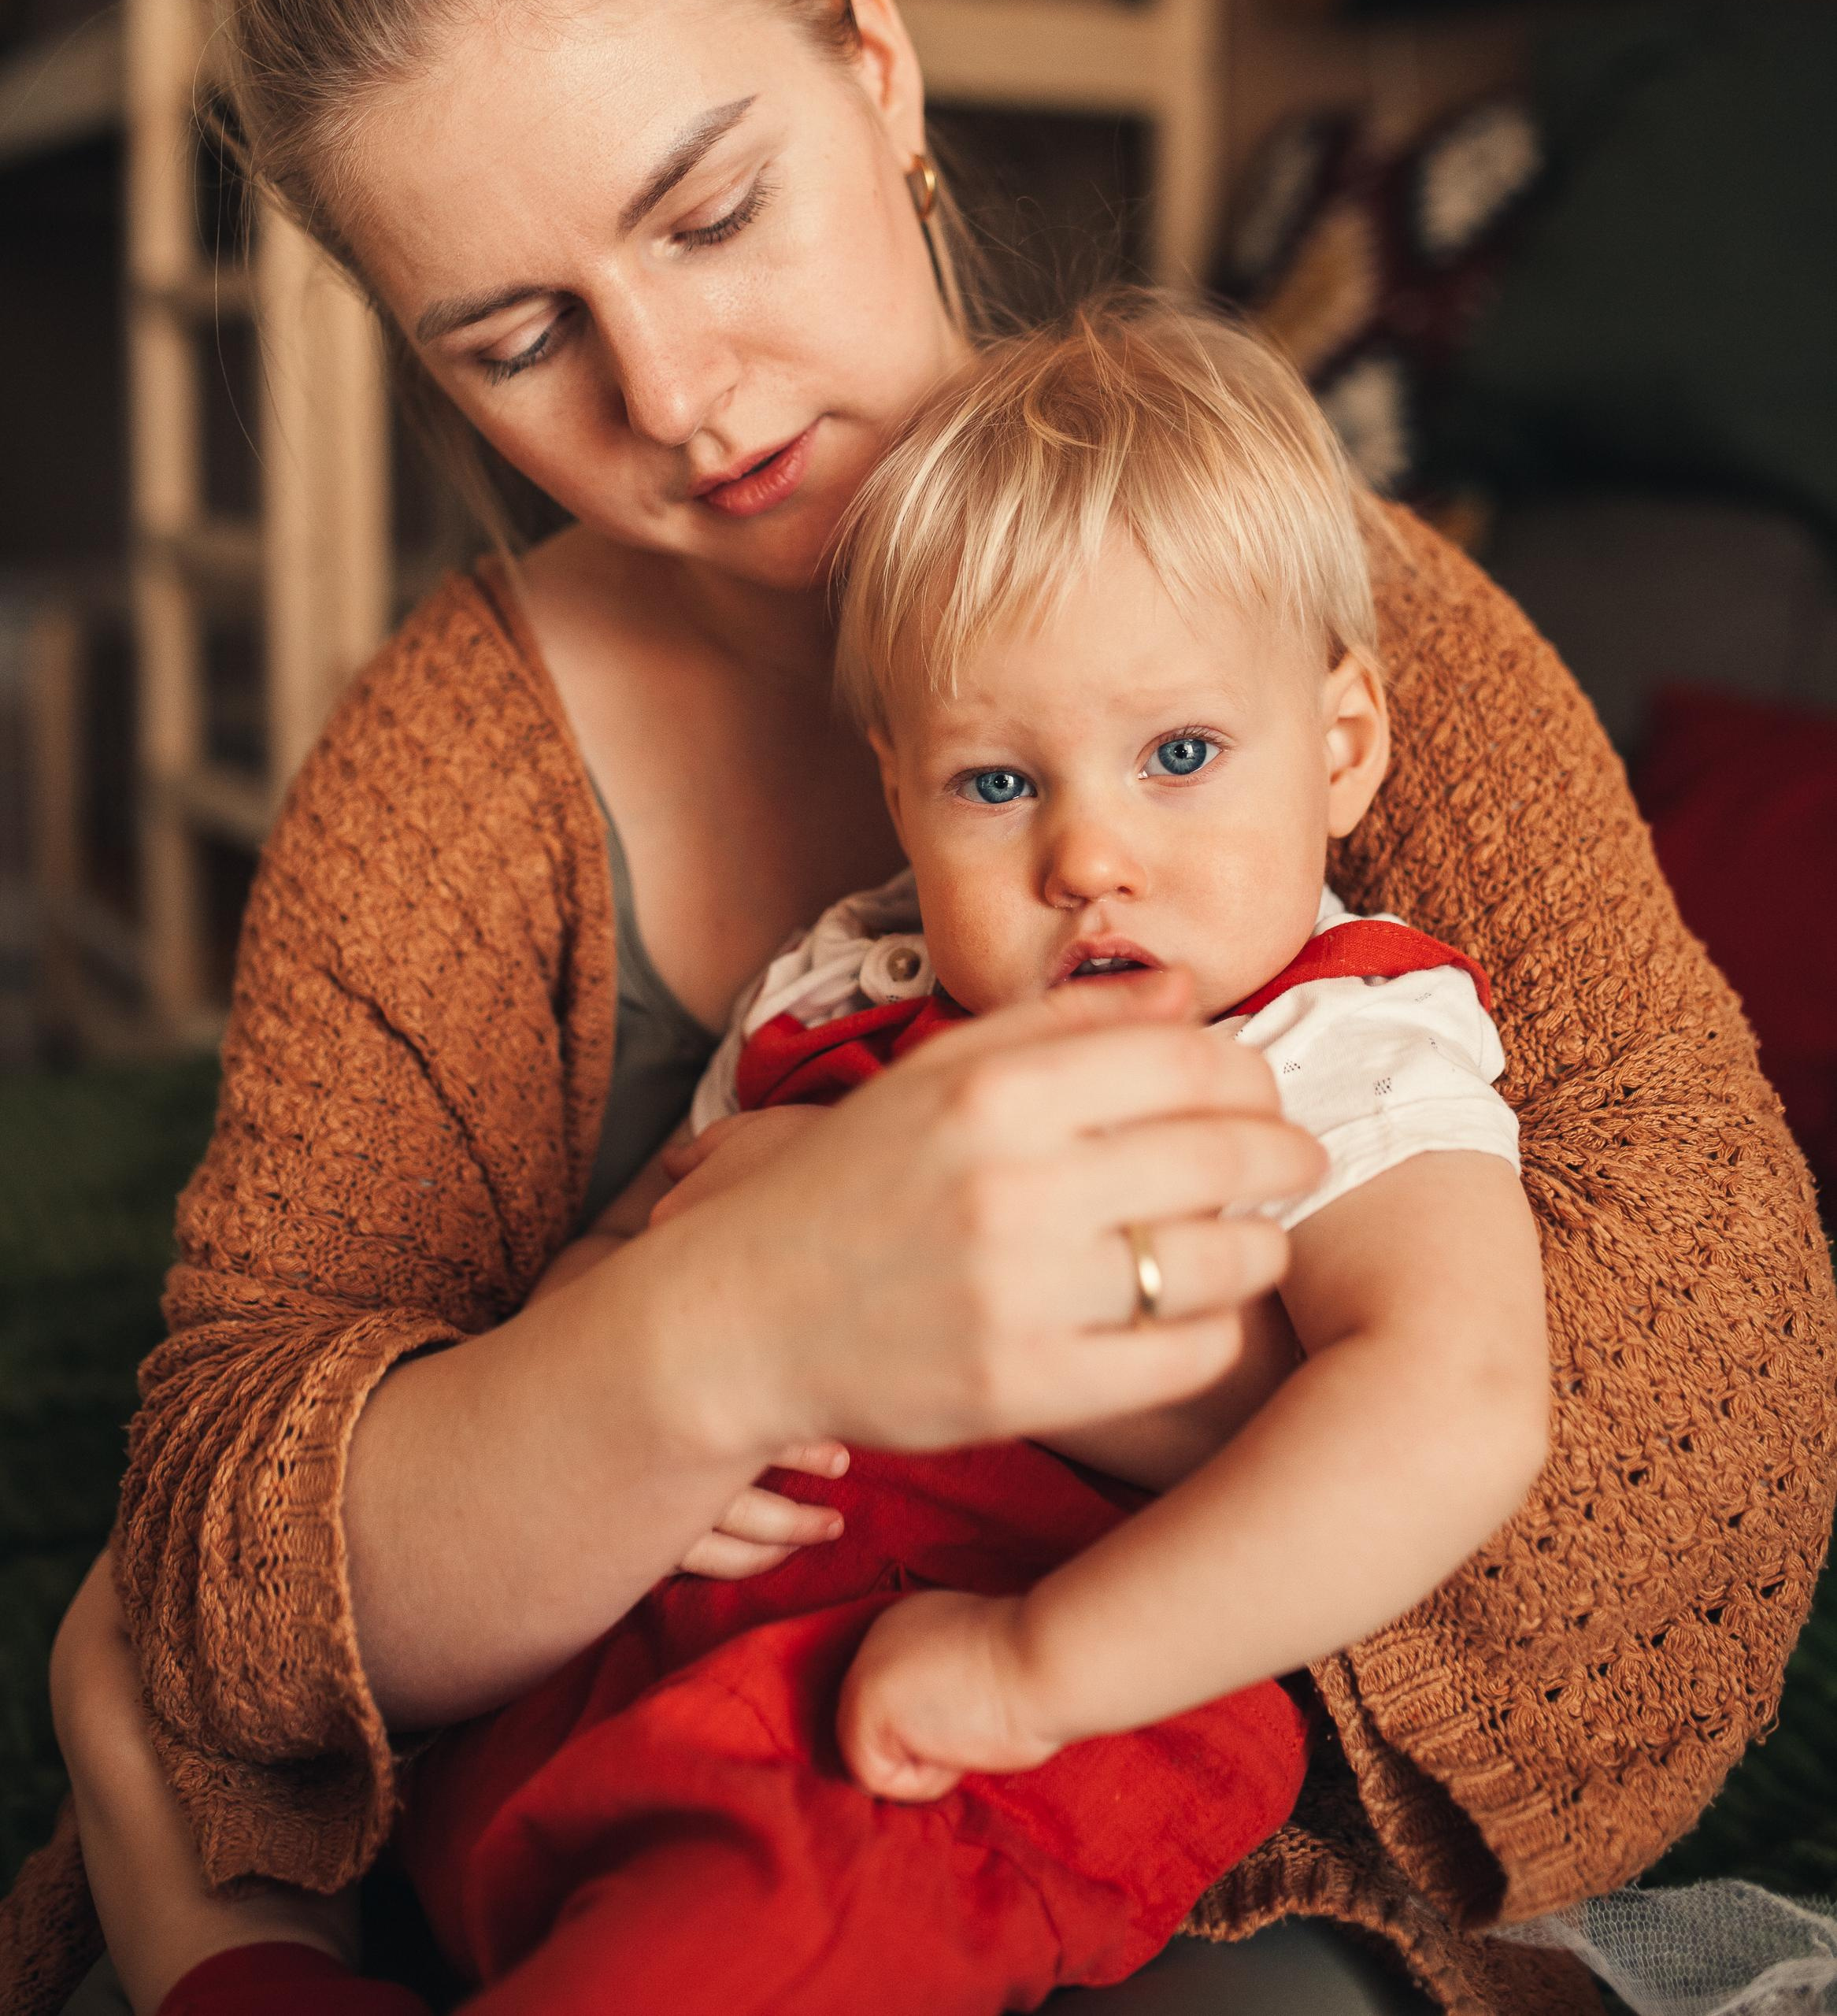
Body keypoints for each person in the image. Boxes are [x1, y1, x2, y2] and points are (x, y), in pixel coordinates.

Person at [6, 0, 1831, 2016]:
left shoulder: (1317, 600)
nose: (679, 394)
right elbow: (224, 1566)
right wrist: (716, 1338)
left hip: (1111, 1782)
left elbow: (1699, 1441)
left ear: (872, 65)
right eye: (519, 338)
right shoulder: (449, 775)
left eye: (709, 212)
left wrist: (1026, 1350)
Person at [366, 297, 1549, 2016]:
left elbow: (1454, 1396)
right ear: (898, 787)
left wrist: (1027, 1668)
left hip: (954, 1736)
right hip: (628, 1673)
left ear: (1341, 745)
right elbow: (631, 1243)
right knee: (309, 1800)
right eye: (996, 782)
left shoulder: (1327, 1038)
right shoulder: (845, 980)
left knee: (711, 1954)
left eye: (1180, 755)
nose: (1088, 855)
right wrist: (622, 1397)